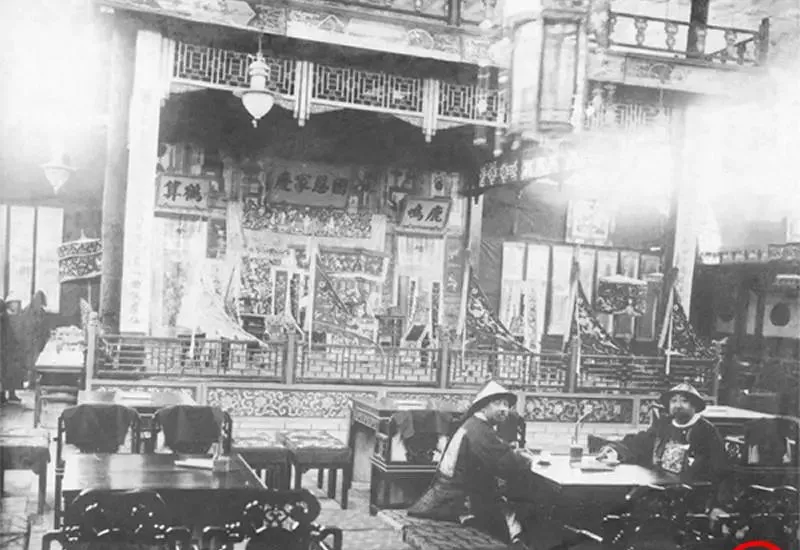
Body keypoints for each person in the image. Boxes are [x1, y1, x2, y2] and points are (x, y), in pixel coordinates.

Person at [408, 380, 534, 550]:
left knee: (508, 510)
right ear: (483, 407)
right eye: (497, 403)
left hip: (449, 495)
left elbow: (497, 454)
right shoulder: (479, 430)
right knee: (513, 520)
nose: (504, 409)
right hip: (457, 503)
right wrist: (527, 459)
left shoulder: (474, 425)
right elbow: (506, 463)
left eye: (506, 405)